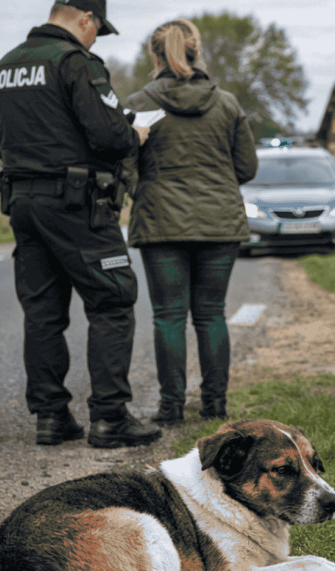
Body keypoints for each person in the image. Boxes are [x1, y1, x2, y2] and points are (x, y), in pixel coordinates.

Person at [0, 0, 162, 448]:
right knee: (113, 301)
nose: (95, 38)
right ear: (85, 19)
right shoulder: (76, 63)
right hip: (77, 205)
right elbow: (109, 137)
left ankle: (51, 417)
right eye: (97, 29)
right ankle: (110, 417)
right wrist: (135, 133)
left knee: (42, 312)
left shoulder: (3, 68)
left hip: (22, 203)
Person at [126, 18, 259, 425]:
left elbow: (124, 164)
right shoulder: (228, 104)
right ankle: (215, 405)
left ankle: (170, 407)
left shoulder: (140, 104)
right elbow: (247, 167)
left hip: (160, 222)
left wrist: (144, 190)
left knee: (168, 316)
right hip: (219, 222)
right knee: (211, 313)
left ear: (155, 57)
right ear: (197, 51)